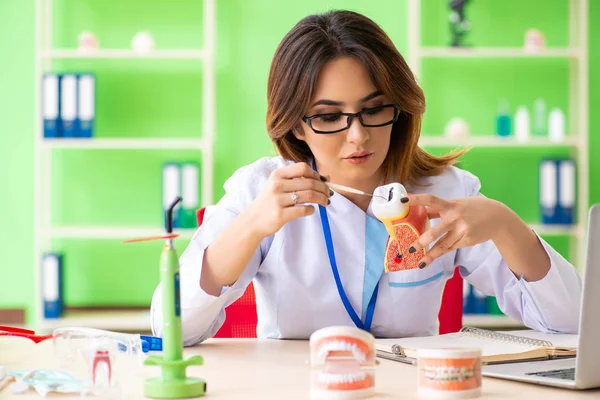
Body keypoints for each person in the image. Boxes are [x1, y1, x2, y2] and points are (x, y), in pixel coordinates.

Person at [150, 10, 582, 346]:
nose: (358, 136)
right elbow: (171, 330)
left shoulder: (447, 193)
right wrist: (251, 225)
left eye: (374, 109)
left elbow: (572, 323)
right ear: (296, 126)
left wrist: (506, 224)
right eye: (328, 116)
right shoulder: (261, 189)